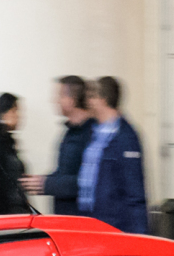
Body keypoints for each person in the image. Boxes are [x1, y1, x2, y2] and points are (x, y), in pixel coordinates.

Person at [77, 77, 148, 234]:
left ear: (103, 99)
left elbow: (135, 192)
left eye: (91, 96)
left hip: (113, 227)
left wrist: (139, 236)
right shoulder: (93, 133)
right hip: (89, 225)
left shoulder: (125, 137)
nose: (87, 101)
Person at [21, 75, 93, 215]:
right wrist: (43, 181)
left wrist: (48, 184)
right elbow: (65, 172)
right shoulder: (70, 133)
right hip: (66, 217)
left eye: (59, 95)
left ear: (72, 99)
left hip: (82, 219)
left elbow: (90, 181)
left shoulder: (91, 134)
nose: (55, 101)